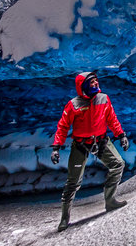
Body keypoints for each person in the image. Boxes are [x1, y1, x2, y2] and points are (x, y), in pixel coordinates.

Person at [50, 70, 131, 231]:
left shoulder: (104, 99)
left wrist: (121, 135)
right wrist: (56, 147)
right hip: (81, 144)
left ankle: (110, 200)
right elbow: (63, 126)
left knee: (118, 164)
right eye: (92, 82)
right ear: (83, 85)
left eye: (96, 81)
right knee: (73, 182)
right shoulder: (73, 104)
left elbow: (111, 118)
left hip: (101, 141)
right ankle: (65, 218)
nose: (95, 83)